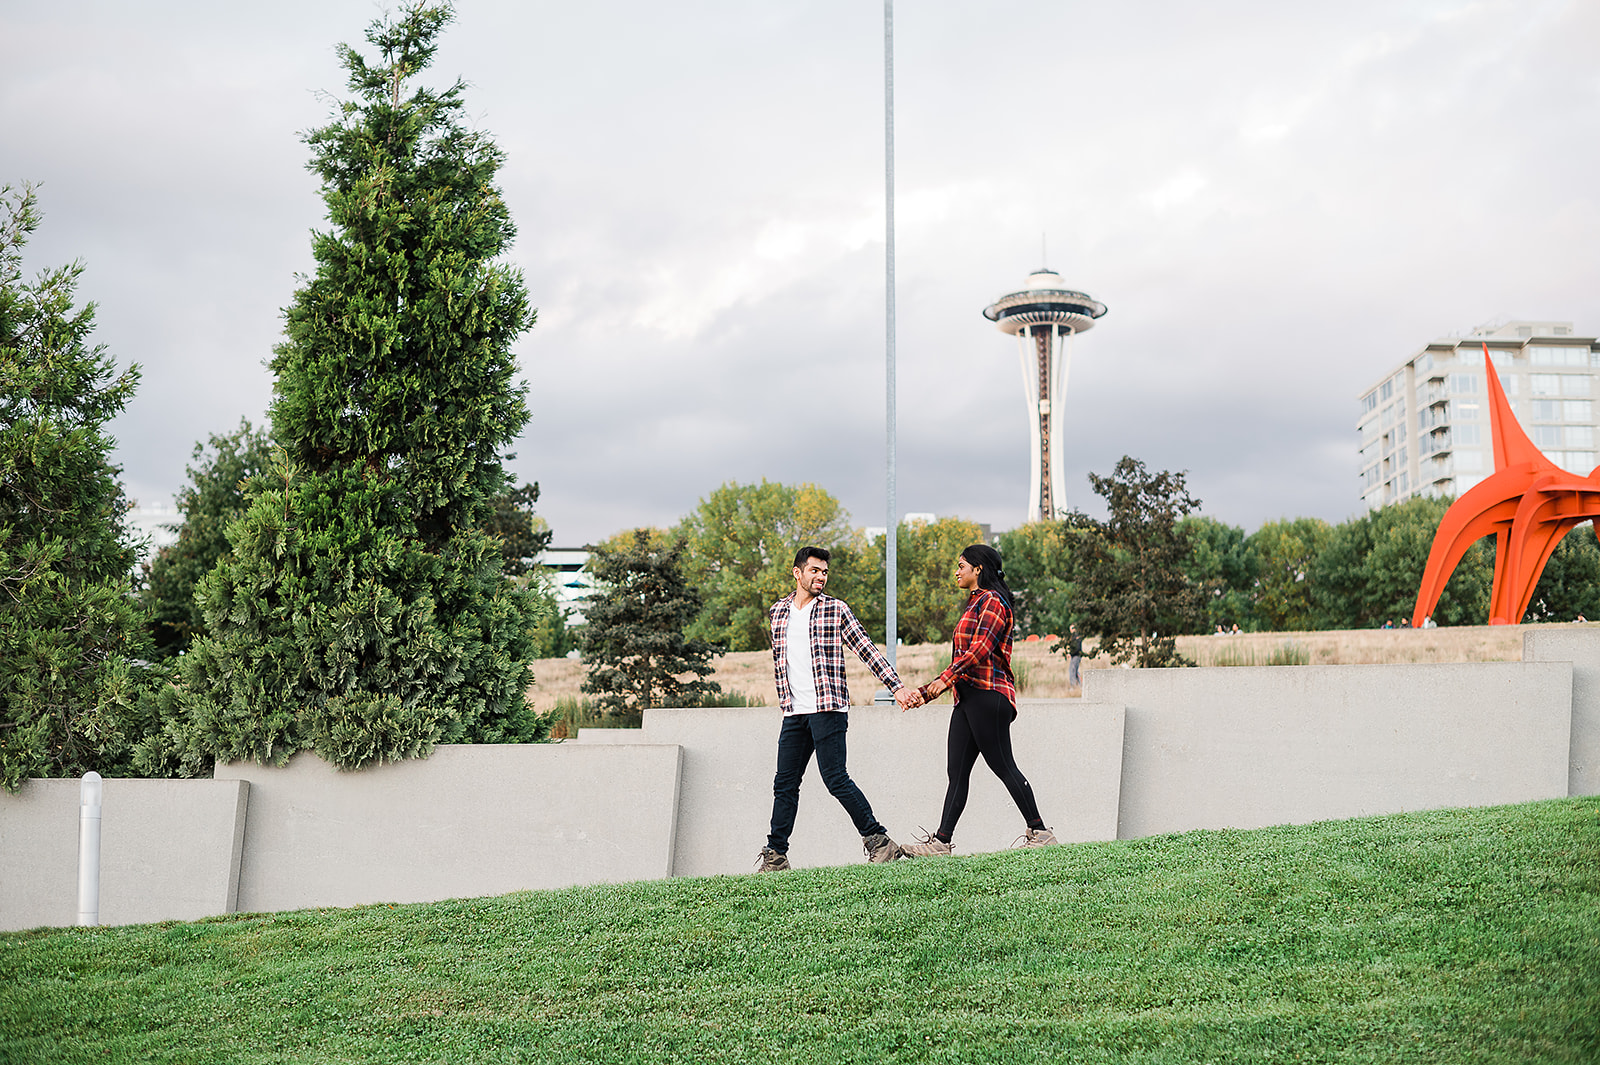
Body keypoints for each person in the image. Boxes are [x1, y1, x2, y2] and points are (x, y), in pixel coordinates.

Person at [756, 546, 919, 872]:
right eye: (814, 570)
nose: (820, 577)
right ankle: (776, 856)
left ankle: (878, 840)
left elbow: (867, 650)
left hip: (828, 708)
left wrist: (897, 687)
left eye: (825, 572)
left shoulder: (835, 609)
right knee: (784, 784)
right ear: (797, 572)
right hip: (794, 711)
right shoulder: (778, 613)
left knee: (835, 778)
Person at [898, 544, 1057, 857]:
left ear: (978, 569)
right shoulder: (974, 604)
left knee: (1004, 766)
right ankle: (941, 843)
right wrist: (930, 689)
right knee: (956, 772)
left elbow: (979, 651)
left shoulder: (994, 602)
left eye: (961, 566)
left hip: (989, 695)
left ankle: (1040, 831)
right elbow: (965, 656)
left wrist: (935, 687)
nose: (957, 572)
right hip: (967, 696)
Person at [1066, 623, 1084, 689]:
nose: (1071, 630)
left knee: (1072, 670)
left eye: (1072, 629)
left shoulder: (1076, 637)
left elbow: (1077, 648)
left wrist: (1070, 653)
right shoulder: (1073, 637)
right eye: (1070, 629)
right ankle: (1080, 685)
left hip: (1076, 655)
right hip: (1075, 655)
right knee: (1075, 671)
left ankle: (1073, 686)